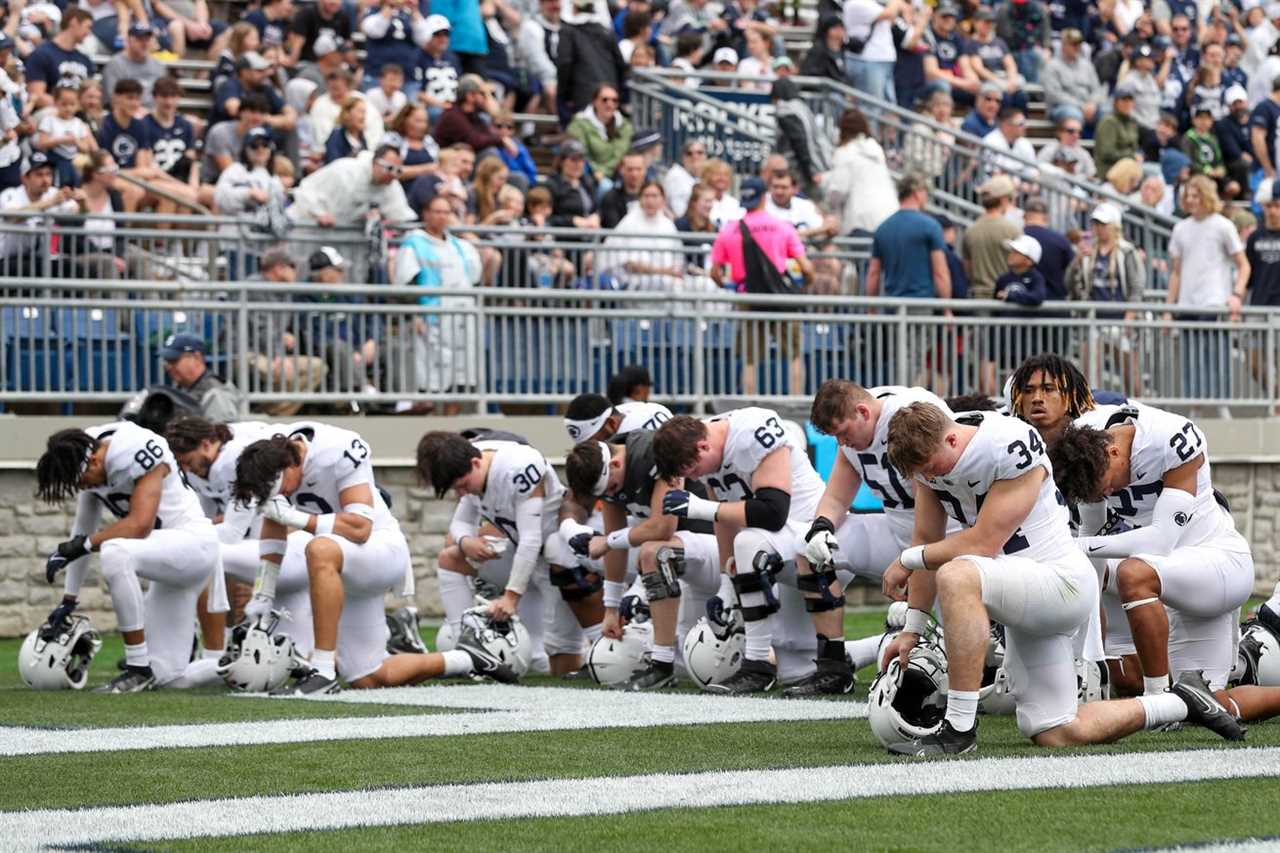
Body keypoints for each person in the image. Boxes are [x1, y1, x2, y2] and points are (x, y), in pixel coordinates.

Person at [878, 402, 1245, 755]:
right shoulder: (930, 456)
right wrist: (912, 628)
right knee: (1055, 730)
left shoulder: (1006, 442)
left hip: (1058, 582)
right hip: (1021, 589)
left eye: (930, 467)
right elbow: (926, 539)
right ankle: (1181, 701)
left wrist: (907, 559)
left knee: (958, 574)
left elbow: (984, 543)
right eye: (921, 473)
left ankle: (958, 728)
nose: (929, 477)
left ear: (953, 439)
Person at [232, 426, 515, 694]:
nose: (283, 496)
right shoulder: (270, 459)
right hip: (346, 561)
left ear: (289, 466)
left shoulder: (335, 450)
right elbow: (273, 532)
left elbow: (359, 528)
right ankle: (469, 658)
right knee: (368, 677)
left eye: (280, 490)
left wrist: (296, 517)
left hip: (380, 549)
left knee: (318, 548)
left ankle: (323, 672)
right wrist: (264, 592)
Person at [1050, 406, 1255, 719]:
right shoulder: (1084, 447)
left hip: (1215, 563)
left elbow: (1160, 542)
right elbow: (1092, 545)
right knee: (1195, 703)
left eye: (1103, 484)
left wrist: (1075, 545)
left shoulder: (1171, 438)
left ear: (1114, 451)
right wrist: (1089, 657)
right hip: (1162, 573)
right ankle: (1117, 673)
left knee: (1133, 573)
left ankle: (1156, 696)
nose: (1105, 493)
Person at [653, 409, 830, 693]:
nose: (699, 477)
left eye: (695, 471)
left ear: (702, 447)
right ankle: (870, 652)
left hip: (815, 540)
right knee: (797, 666)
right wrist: (726, 582)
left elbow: (773, 513)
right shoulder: (709, 444)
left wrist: (699, 507)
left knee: (747, 541)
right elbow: (724, 517)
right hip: (779, 549)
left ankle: (757, 664)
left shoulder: (752, 432)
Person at [36, 422, 221, 692]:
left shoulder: (133, 447)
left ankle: (137, 668)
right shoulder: (86, 453)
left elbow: (139, 525)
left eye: (82, 480)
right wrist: (69, 599)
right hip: (170, 566)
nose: (82, 487)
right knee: (169, 678)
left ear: (95, 461)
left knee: (115, 550)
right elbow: (82, 531)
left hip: (194, 544)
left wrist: (83, 545)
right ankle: (233, 665)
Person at [800, 382, 956, 694]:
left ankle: (872, 650)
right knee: (810, 553)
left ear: (862, 412)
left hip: (949, 534)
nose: (842, 442)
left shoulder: (912, 413)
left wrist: (916, 559)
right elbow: (836, 499)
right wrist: (820, 527)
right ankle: (833, 666)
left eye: (843, 433)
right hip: (897, 527)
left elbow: (944, 486)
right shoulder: (855, 434)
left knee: (961, 656)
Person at [418, 430, 601, 675]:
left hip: (554, 566)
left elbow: (531, 539)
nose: (462, 493)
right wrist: (466, 543)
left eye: (462, 486)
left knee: (559, 660)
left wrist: (511, 597)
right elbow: (459, 524)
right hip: (519, 558)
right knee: (451, 555)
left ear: (475, 462)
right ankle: (467, 645)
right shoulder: (471, 462)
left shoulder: (517, 467)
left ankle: (597, 650)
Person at [562, 429, 718, 690]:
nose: (611, 494)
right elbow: (616, 542)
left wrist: (608, 542)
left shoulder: (656, 453)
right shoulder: (609, 473)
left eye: (611, 487)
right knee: (698, 667)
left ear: (615, 463)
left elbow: (662, 528)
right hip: (687, 559)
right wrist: (610, 609)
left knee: (654, 552)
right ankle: (661, 657)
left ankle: (661, 664)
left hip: (717, 547)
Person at [165, 416, 309, 658]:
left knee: (205, 554)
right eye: (183, 464)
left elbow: (232, 532)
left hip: (293, 538)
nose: (188, 469)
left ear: (207, 443)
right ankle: (220, 640)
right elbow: (209, 522)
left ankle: (213, 653)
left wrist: (178, 538)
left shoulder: (235, 458)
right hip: (271, 537)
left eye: (188, 461)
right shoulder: (204, 465)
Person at [708, 177, 811, 395]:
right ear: (764, 197)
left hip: (748, 298)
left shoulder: (729, 230)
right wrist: (804, 287)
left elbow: (714, 272)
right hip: (781, 299)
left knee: (750, 359)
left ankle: (749, 406)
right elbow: (806, 268)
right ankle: (795, 403)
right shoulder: (782, 227)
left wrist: (729, 285)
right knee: (794, 355)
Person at [1165, 175, 1249, 416]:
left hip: (1214, 302)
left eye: (1195, 195)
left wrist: (1236, 295)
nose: (1190, 200)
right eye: (1187, 196)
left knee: (1217, 356)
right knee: (1191, 359)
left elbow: (1243, 265)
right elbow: (1176, 273)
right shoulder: (1180, 228)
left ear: (1206, 196)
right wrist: (1169, 308)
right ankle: (1195, 408)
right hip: (1187, 304)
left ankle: (1223, 405)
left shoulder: (1223, 225)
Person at [394, 195, 481, 412]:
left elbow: (475, 278)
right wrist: (414, 313)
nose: (442, 217)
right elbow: (407, 282)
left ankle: (451, 420)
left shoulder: (461, 246)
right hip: (432, 319)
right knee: (430, 377)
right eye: (437, 211)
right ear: (426, 214)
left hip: (462, 318)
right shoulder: (414, 243)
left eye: (446, 212)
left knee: (461, 376)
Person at [242, 250, 329, 416]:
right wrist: (278, 356)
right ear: (279, 268)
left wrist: (282, 335)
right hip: (245, 352)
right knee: (280, 372)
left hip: (268, 351)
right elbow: (261, 329)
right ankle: (267, 416)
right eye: (293, 267)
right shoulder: (255, 287)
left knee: (317, 367)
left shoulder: (284, 289)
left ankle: (272, 414)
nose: (296, 272)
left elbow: (270, 328)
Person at [289, 141, 416, 229]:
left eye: (398, 171)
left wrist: (382, 218)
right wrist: (319, 213)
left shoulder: (391, 186)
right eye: (389, 168)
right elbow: (306, 189)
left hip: (341, 240)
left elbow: (401, 215)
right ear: (375, 163)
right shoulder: (344, 170)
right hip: (303, 226)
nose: (393, 175)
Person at [214, 126, 287, 277]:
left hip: (264, 250)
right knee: (238, 292)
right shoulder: (235, 170)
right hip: (236, 245)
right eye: (255, 145)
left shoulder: (274, 180)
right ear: (246, 149)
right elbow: (220, 197)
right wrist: (248, 194)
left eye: (265, 145)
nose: (260, 149)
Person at [866, 173, 950, 300]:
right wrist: (946, 309)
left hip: (892, 307)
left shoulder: (882, 229)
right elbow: (940, 273)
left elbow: (873, 273)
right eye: (925, 192)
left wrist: (871, 309)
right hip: (921, 307)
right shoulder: (931, 227)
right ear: (917, 193)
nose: (926, 197)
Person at [0, 153, 78, 277]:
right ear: (25, 178)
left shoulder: (53, 193)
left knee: (72, 268)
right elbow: (11, 215)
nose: (45, 180)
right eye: (39, 175)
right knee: (30, 269)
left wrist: (81, 200)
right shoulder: (11, 195)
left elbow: (75, 210)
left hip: (40, 259)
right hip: (8, 259)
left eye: (48, 174)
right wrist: (50, 203)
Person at [824, 107, 897, 236]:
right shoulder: (875, 148)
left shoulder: (845, 152)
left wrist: (827, 198)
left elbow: (838, 189)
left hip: (862, 219)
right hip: (889, 213)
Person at [159, 333, 245, 423]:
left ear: (197, 357)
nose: (168, 366)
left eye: (174, 360)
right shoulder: (184, 387)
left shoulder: (215, 393)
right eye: (167, 361)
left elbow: (221, 435)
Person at [962, 174, 1022, 302]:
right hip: (1006, 297)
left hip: (978, 297)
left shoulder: (970, 231)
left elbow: (967, 268)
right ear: (1004, 200)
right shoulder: (1013, 229)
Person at [771, 77, 831, 196]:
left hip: (801, 169)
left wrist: (809, 172)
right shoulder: (802, 107)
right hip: (815, 164)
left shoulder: (786, 110)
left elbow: (799, 141)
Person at [25, 7, 94, 108]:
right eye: (88, 27)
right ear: (74, 22)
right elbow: (37, 96)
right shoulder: (42, 54)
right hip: (50, 112)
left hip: (79, 115)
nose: (89, 32)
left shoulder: (85, 59)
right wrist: (69, 107)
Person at [566, 83, 633, 186]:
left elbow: (620, 154)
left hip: (617, 174)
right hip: (588, 174)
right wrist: (596, 172)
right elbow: (582, 153)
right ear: (595, 101)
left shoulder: (625, 125)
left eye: (614, 100)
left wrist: (603, 172)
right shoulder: (579, 123)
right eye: (605, 99)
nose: (610, 104)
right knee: (605, 186)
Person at [842, 0, 906, 104]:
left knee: (887, 107)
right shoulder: (855, 3)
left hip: (882, 60)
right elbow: (890, 13)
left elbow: (893, 19)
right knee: (872, 106)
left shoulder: (874, 3)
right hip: (868, 61)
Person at [36, 84, 97, 187]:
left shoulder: (79, 123)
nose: (68, 108)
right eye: (64, 104)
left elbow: (86, 148)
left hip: (73, 161)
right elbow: (41, 143)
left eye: (72, 104)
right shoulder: (49, 120)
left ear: (77, 105)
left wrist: (76, 141)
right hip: (54, 160)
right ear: (55, 103)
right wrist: (60, 140)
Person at [1041, 27, 1105, 126]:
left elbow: (1097, 89)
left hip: (1088, 106)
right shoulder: (1052, 66)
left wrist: (1092, 104)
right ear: (1063, 45)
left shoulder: (1087, 65)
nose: (1077, 47)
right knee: (1074, 115)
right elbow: (1054, 95)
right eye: (1073, 44)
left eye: (1079, 44)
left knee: (1106, 112)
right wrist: (1081, 106)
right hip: (1062, 107)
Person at [103, 22, 167, 109]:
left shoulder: (158, 65)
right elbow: (112, 98)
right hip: (126, 113)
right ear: (129, 41)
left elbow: (164, 94)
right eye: (140, 39)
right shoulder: (116, 64)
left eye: (147, 39)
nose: (144, 44)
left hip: (154, 115)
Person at [1095, 80, 1143, 177]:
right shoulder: (1109, 122)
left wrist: (1137, 156)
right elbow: (1107, 153)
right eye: (1123, 100)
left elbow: (1135, 148)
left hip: (1128, 167)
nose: (1127, 103)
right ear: (1116, 102)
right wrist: (1131, 156)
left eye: (1130, 100)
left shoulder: (1132, 122)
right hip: (1109, 170)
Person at [1036, 116, 1097, 181]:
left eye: (1079, 132)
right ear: (1060, 132)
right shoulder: (1051, 149)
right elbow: (1038, 169)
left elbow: (1092, 174)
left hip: (1076, 188)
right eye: (1071, 131)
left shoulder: (1083, 153)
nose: (1076, 135)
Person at [599, 151, 646, 229]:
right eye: (630, 169)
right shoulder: (611, 197)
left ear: (645, 170)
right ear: (621, 170)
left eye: (638, 169)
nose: (634, 174)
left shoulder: (653, 195)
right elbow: (614, 228)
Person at [663, 140, 706, 219]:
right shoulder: (676, 175)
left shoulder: (703, 176)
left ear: (705, 156)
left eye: (699, 152)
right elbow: (679, 212)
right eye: (689, 153)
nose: (695, 156)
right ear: (683, 157)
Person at [800, 14, 848, 84]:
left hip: (841, 89)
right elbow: (810, 72)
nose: (839, 31)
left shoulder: (845, 50)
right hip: (824, 90)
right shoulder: (818, 50)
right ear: (827, 30)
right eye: (835, 27)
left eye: (841, 27)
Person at [323, 96, 368, 164]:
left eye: (364, 112)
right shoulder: (336, 136)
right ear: (347, 113)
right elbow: (334, 163)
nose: (363, 117)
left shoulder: (361, 137)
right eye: (360, 111)